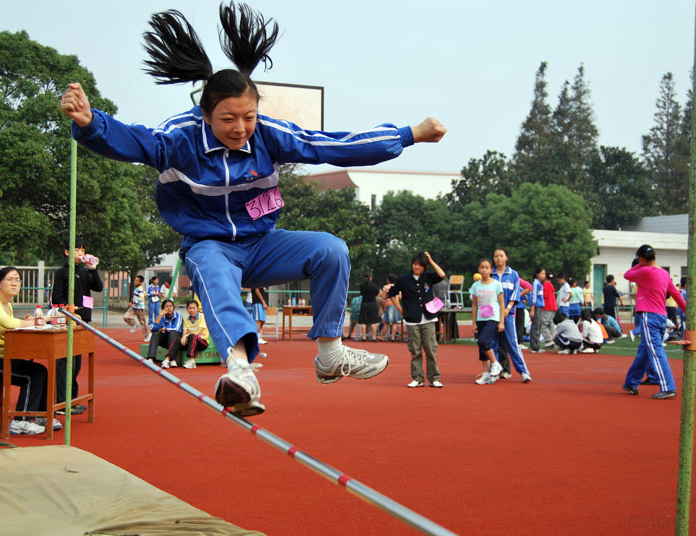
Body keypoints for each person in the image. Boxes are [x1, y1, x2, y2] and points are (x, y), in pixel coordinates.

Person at [61, 4, 445, 416]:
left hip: (261, 244)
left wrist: (408, 135)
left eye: (248, 116)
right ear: (205, 115)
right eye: (228, 119)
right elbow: (134, 140)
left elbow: (332, 144)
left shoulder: (269, 135)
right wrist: (90, 124)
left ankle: (330, 354)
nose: (240, 128)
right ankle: (241, 371)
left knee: (331, 248)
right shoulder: (179, 138)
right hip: (211, 246)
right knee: (213, 272)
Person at [0, 267, 59, 434]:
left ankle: (41, 415)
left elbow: (13, 323)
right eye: (10, 279)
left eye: (17, 280)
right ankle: (20, 421)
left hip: (1, 356)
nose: (14, 283)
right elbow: (9, 324)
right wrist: (37, 322)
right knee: (31, 375)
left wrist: (35, 320)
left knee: (41, 370)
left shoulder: (7, 304)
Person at [622, 245, 686, 399]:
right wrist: (687, 310)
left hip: (648, 315)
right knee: (645, 349)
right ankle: (631, 382)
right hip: (661, 316)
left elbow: (627, 275)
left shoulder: (644, 271)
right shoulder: (664, 273)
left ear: (642, 259)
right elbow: (676, 295)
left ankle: (668, 387)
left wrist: (639, 263)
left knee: (655, 351)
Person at [50, 239, 103, 415]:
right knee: (65, 362)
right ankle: (61, 402)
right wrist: (68, 307)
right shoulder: (62, 273)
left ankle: (72, 400)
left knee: (77, 362)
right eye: (76, 249)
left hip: (83, 321)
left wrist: (93, 268)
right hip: (68, 321)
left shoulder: (85, 271)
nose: (80, 252)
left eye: (82, 249)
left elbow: (98, 287)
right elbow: (57, 298)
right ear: (67, 252)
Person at [388, 252, 445, 388]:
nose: (416, 267)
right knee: (415, 350)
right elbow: (391, 294)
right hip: (411, 319)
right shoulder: (403, 279)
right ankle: (417, 378)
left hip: (428, 318)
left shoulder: (428, 277)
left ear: (424, 266)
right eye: (415, 264)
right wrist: (400, 309)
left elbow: (442, 275)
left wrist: (430, 260)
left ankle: (434, 378)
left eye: (420, 265)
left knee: (431, 349)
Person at [491, 248, 531, 382]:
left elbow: (515, 293)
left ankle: (523, 372)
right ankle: (494, 370)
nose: (499, 259)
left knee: (512, 343)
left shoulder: (513, 274)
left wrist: (508, 307)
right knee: (493, 343)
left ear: (506, 257)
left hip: (508, 314)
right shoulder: (491, 274)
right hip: (492, 314)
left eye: (501, 256)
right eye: (496, 256)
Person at [470, 258, 505, 385]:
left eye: (487, 268)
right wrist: (473, 322)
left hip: (493, 317)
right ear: (479, 270)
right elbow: (474, 305)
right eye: (482, 268)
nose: (484, 270)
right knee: (481, 347)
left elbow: (501, 304)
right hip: (481, 317)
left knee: (483, 341)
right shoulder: (476, 286)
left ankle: (495, 364)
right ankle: (485, 374)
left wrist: (501, 321)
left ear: (491, 270)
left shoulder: (496, 284)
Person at [147, 299, 184, 369]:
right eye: (166, 306)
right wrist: (160, 315)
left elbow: (176, 328)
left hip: (176, 340)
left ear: (173, 307)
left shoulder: (178, 314)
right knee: (156, 334)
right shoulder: (161, 316)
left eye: (171, 306)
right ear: (163, 308)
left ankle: (172, 359)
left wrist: (165, 329)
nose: (169, 308)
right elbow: (152, 328)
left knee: (173, 333)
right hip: (166, 340)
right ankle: (151, 358)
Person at [181, 300, 211, 369]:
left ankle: (192, 361)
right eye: (190, 308)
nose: (192, 310)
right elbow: (184, 331)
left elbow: (198, 332)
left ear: (197, 308)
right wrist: (183, 336)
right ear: (187, 309)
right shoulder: (186, 318)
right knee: (177, 338)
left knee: (192, 336)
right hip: (191, 340)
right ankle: (170, 359)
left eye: (193, 308)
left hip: (202, 341)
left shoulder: (202, 316)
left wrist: (186, 335)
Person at [124, 275, 150, 341]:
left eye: (136, 280)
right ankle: (134, 324)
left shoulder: (140, 289)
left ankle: (148, 335)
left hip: (139, 308)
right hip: (134, 307)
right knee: (126, 317)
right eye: (135, 280)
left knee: (143, 322)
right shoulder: (136, 288)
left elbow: (140, 298)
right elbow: (138, 296)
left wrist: (132, 303)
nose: (135, 281)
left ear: (140, 282)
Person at [529, 268, 547, 353]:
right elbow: (533, 296)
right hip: (536, 307)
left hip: (539, 306)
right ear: (537, 275)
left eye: (544, 274)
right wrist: (532, 309)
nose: (544, 275)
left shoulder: (540, 284)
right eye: (542, 273)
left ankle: (536, 345)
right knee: (536, 326)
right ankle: (534, 347)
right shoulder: (536, 284)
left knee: (538, 325)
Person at [379, 273, 402, 342]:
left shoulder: (385, 287)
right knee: (395, 322)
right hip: (396, 305)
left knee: (386, 322)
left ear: (388, 280)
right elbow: (400, 296)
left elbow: (383, 297)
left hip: (389, 305)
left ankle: (382, 337)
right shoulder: (398, 286)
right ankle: (393, 337)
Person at [358, 273, 380, 342]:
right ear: (370, 278)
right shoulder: (374, 285)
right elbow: (378, 293)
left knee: (363, 321)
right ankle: (374, 337)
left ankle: (364, 337)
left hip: (364, 303)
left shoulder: (361, 286)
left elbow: (361, 293)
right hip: (372, 303)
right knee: (373, 321)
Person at [542, 274, 558, 347]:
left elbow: (544, 295)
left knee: (543, 324)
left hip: (547, 306)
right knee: (551, 324)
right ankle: (555, 339)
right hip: (553, 306)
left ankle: (549, 339)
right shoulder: (551, 285)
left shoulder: (545, 285)